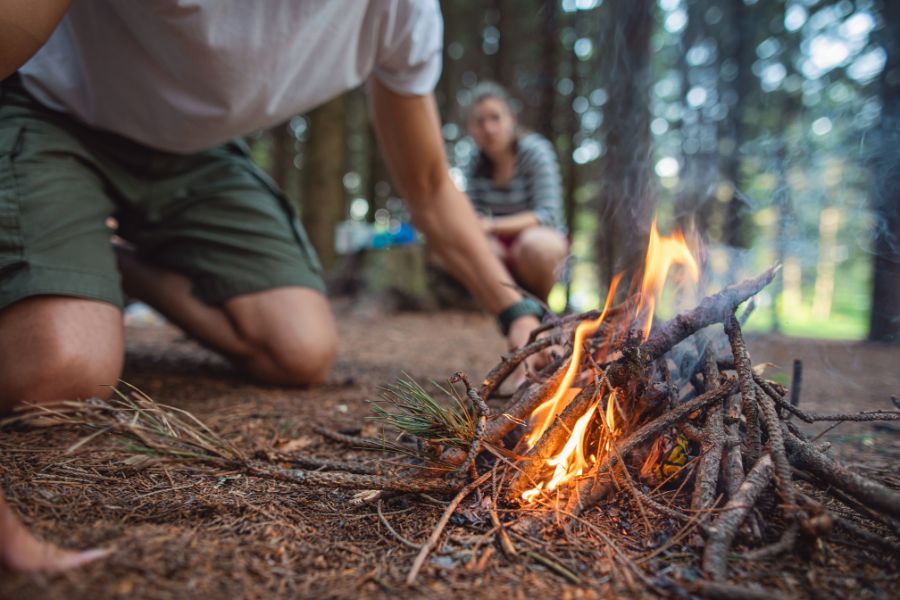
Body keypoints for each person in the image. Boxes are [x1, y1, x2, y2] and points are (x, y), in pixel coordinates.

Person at [0, 0, 547, 571]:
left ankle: (109, 259)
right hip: (54, 113)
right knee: (57, 377)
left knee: (300, 350)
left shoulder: (401, 11)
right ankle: (68, 258)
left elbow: (431, 185)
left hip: (200, 154)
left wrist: (516, 310)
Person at [464, 82, 569, 303]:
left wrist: (492, 226)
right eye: (480, 122)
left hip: (539, 242)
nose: (489, 129)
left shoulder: (535, 152)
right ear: (471, 129)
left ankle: (541, 308)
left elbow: (547, 216)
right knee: (472, 247)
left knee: (536, 246)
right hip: (499, 246)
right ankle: (505, 308)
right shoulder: (474, 163)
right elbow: (474, 217)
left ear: (511, 119)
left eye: (495, 118)